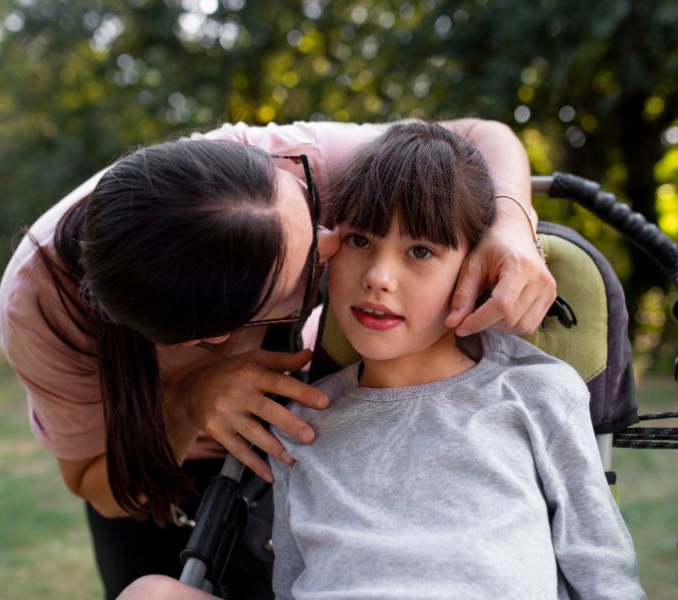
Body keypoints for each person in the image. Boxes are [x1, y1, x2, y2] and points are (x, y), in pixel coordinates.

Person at [0, 119, 555, 599]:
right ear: (221, 336)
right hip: (157, 472)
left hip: (294, 430)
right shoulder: (39, 307)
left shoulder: (271, 170)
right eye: (313, 262)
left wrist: (512, 221)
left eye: (311, 208)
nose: (336, 242)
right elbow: (95, 482)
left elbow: (482, 135)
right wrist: (190, 408)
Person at [268, 122, 645, 599]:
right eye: (360, 241)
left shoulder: (535, 393)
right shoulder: (299, 425)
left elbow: (603, 572)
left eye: (420, 251)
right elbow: (288, 582)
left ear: (476, 269)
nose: (379, 277)